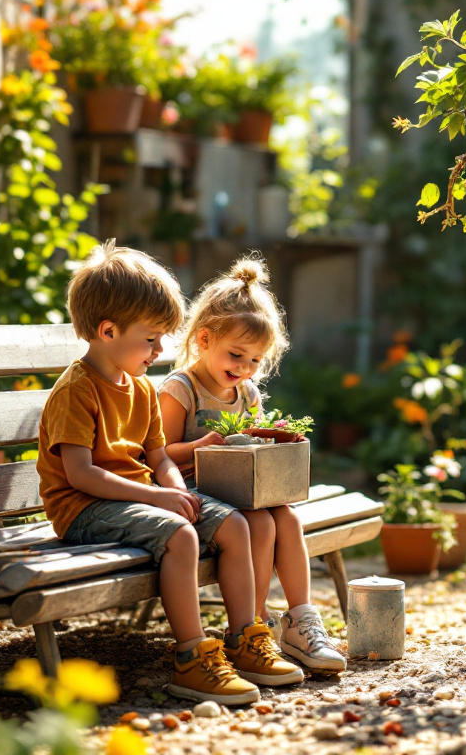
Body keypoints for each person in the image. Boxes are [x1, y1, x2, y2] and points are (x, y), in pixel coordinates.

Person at [37, 242, 303, 705]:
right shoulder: (77, 390)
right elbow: (80, 475)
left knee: (234, 524)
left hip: (135, 498)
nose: (161, 350)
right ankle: (191, 658)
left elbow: (159, 459)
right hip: (83, 508)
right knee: (181, 536)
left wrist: (179, 492)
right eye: (152, 338)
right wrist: (160, 500)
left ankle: (245, 639)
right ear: (107, 330)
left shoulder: (139, 387)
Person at [159, 255, 347, 673]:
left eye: (255, 361)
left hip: (239, 491)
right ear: (204, 340)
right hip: (191, 493)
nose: (243, 369)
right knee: (261, 525)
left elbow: (251, 446)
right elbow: (155, 454)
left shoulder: (247, 394)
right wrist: (202, 446)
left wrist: (276, 443)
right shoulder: (180, 389)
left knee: (287, 519)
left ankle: (300, 619)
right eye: (236, 355)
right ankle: (251, 629)